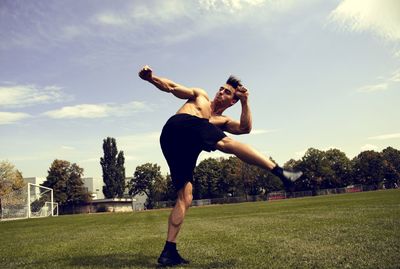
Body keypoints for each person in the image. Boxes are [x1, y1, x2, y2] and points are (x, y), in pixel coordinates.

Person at [138, 65, 302, 267]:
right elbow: (172, 87)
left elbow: (245, 128)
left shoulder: (221, 121)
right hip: (179, 126)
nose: (221, 92)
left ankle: (168, 252)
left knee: (185, 197)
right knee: (227, 144)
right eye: (221, 89)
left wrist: (245, 101)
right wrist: (151, 78)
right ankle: (281, 173)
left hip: (180, 145)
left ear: (232, 100)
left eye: (227, 92)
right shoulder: (200, 96)